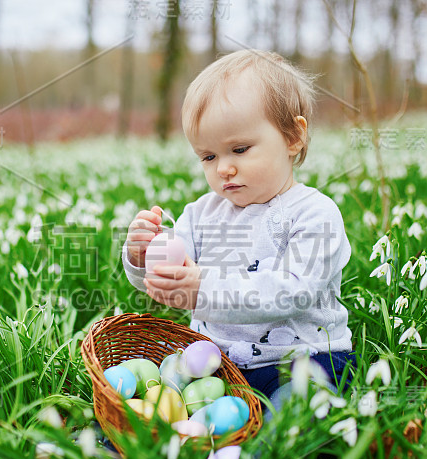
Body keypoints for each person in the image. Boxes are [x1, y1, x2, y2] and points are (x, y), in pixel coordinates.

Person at [122, 50, 356, 423]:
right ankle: (147, 437)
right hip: (217, 360)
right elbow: (166, 276)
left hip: (302, 359)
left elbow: (293, 290)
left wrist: (203, 288)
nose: (224, 169)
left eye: (240, 149)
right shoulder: (201, 214)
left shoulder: (315, 213)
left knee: (302, 399)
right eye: (208, 157)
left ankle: (264, 456)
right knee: (164, 383)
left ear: (293, 136)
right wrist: (142, 254)